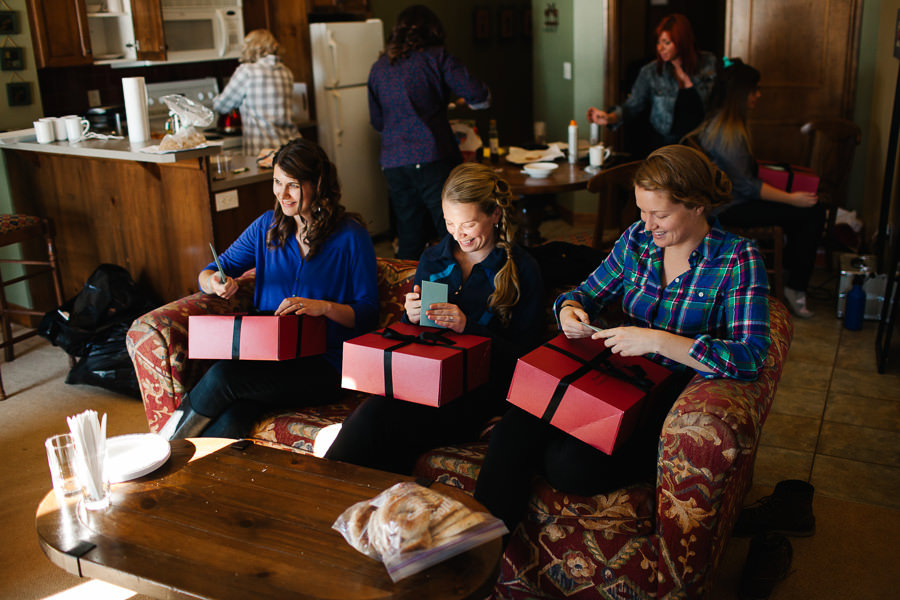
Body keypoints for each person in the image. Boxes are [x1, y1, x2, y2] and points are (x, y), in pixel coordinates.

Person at [473, 145, 771, 532]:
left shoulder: (737, 260)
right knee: (515, 426)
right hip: (611, 380)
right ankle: (477, 553)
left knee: (570, 467)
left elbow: (750, 357)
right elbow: (585, 292)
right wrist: (569, 310)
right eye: (642, 211)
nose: (647, 224)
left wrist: (658, 340)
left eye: (660, 214)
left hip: (663, 399)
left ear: (698, 206)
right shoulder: (637, 241)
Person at [326, 162, 544, 474]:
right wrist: (410, 315)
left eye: (467, 224)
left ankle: (380, 509)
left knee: (391, 431)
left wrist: (468, 327)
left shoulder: (522, 269)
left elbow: (528, 360)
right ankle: (328, 496)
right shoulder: (434, 257)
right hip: (426, 378)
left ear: (494, 214)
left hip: (481, 393)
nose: (458, 235)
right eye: (449, 223)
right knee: (370, 415)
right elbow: (416, 335)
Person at [166, 138, 379, 439]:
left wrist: (324, 307)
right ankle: (196, 473)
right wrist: (215, 283)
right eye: (277, 182)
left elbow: (368, 314)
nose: (282, 193)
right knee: (238, 410)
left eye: (292, 185)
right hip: (268, 356)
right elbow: (211, 270)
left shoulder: (351, 237)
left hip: (324, 366)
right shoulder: (266, 227)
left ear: (317, 184)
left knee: (224, 376)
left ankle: (166, 446)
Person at [691, 59, 825, 318]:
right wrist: (792, 199)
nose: (758, 95)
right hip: (729, 208)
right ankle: (795, 287)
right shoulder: (726, 132)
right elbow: (748, 187)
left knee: (807, 210)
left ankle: (789, 274)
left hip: (736, 199)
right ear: (741, 95)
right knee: (812, 212)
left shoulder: (727, 125)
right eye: (755, 90)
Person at [368, 5, 491, 260]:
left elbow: (378, 122)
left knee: (409, 234)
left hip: (394, 162)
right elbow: (480, 97)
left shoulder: (379, 67)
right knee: (453, 232)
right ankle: (460, 291)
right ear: (433, 30)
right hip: (432, 155)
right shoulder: (437, 57)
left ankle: (410, 295)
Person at [586, 14, 717, 156]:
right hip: (666, 146)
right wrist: (609, 117)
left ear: (682, 42)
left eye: (667, 43)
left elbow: (720, 101)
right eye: (659, 42)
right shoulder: (650, 72)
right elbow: (631, 107)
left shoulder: (708, 62)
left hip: (702, 143)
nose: (661, 48)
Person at [213, 29, 300, 155]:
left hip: (264, 150)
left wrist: (215, 100)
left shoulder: (247, 71)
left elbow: (221, 106)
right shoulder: (286, 72)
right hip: (290, 147)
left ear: (250, 48)